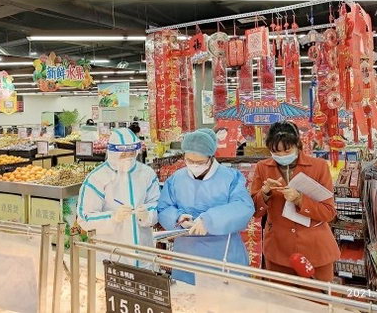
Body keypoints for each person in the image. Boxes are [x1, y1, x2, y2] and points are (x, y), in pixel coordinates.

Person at [157, 128, 254, 285]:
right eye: (189, 160)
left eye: (200, 162)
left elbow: (243, 207)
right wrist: (178, 218)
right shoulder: (177, 179)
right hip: (187, 254)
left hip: (223, 252)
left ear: (211, 157)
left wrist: (209, 220)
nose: (194, 165)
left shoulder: (230, 178)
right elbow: (164, 207)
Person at [251, 121, 340, 282]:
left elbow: (329, 213)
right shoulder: (262, 167)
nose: (282, 156)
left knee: (316, 297)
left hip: (315, 249)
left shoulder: (318, 167)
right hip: (278, 250)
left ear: (298, 145)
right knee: (282, 297)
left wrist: (300, 199)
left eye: (287, 150)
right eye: (276, 152)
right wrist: (265, 193)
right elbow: (255, 211)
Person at [76, 128, 160, 267]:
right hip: (111, 256)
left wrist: (148, 215)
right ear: (112, 153)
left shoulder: (146, 174)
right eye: (123, 154)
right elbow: (84, 218)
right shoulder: (97, 178)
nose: (128, 158)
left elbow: (156, 203)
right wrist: (113, 217)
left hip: (144, 254)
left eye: (131, 153)